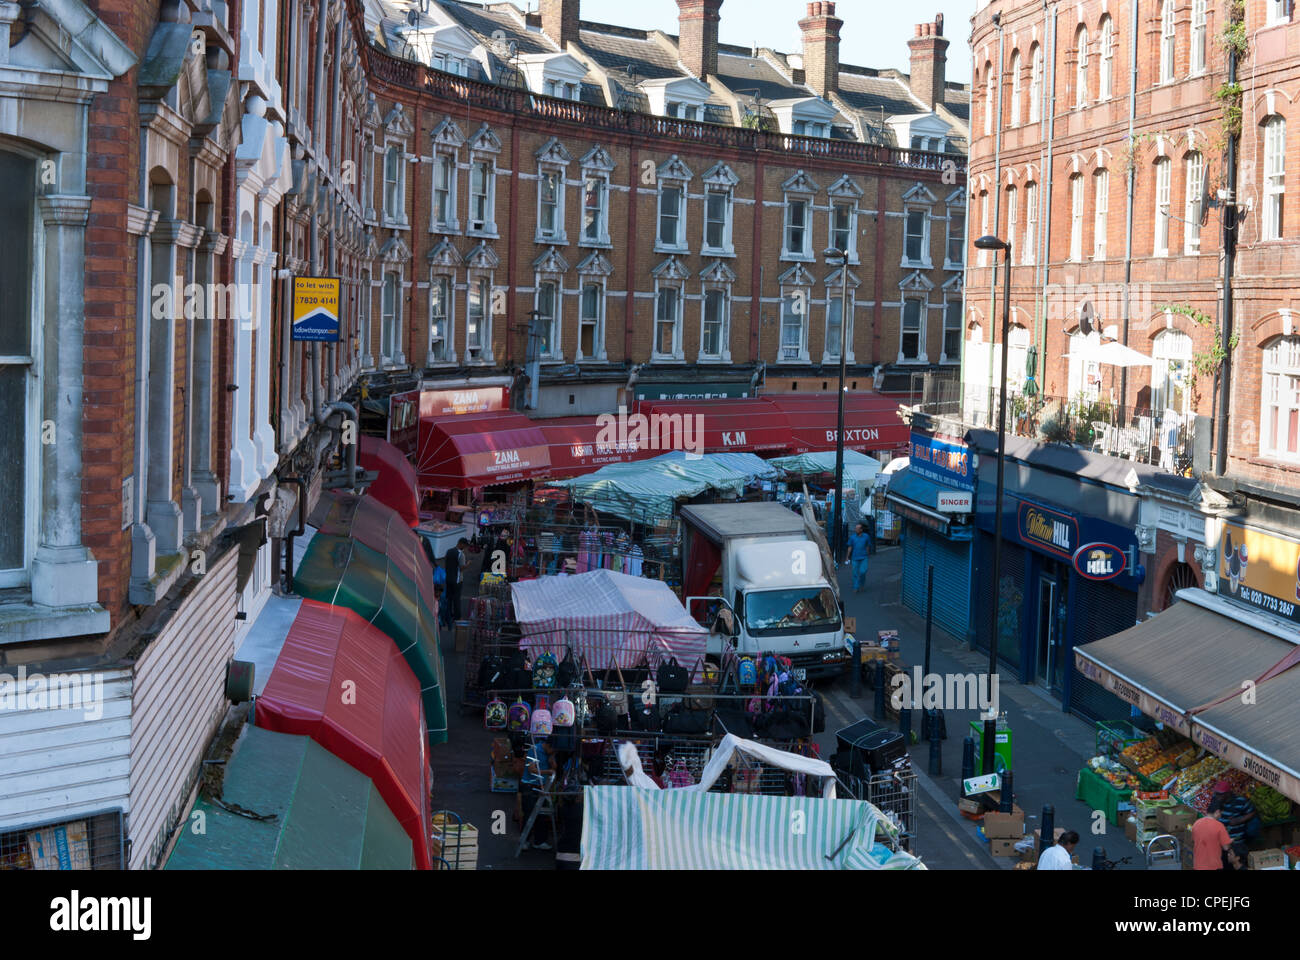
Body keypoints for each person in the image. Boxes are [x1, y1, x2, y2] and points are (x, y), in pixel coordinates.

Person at [517, 738, 556, 851]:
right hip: (529, 786)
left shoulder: (550, 754)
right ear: (548, 746)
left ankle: (540, 841)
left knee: (542, 815)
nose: (554, 752)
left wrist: (552, 760)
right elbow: (531, 769)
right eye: (553, 750)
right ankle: (524, 840)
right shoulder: (534, 750)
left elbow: (554, 767)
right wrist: (547, 772)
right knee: (529, 814)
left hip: (541, 786)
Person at [1210, 781, 1260, 850]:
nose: (1217, 796)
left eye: (1220, 794)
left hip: (1236, 841)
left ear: (1227, 794)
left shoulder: (1240, 801)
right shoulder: (1216, 801)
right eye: (1216, 793)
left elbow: (1252, 813)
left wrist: (1238, 820)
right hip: (1221, 841)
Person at [1191, 805, 1233, 870]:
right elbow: (1226, 847)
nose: (1220, 816)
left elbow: (1194, 840)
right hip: (1213, 865)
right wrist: (1230, 841)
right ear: (1217, 812)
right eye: (1220, 814)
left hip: (1197, 865)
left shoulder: (1196, 824)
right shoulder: (1219, 826)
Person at [554, 793, 583, 870]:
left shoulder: (564, 808)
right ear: (577, 797)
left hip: (561, 853)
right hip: (574, 857)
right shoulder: (581, 810)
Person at [845, 522, 872, 592]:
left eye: (857, 528)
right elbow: (850, 547)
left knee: (863, 571)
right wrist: (847, 557)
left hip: (864, 557)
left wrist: (868, 553)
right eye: (855, 528)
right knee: (855, 573)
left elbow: (868, 545)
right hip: (855, 558)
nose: (856, 529)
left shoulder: (866, 536)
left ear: (861, 530)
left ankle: (862, 583)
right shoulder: (852, 537)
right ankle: (856, 587)